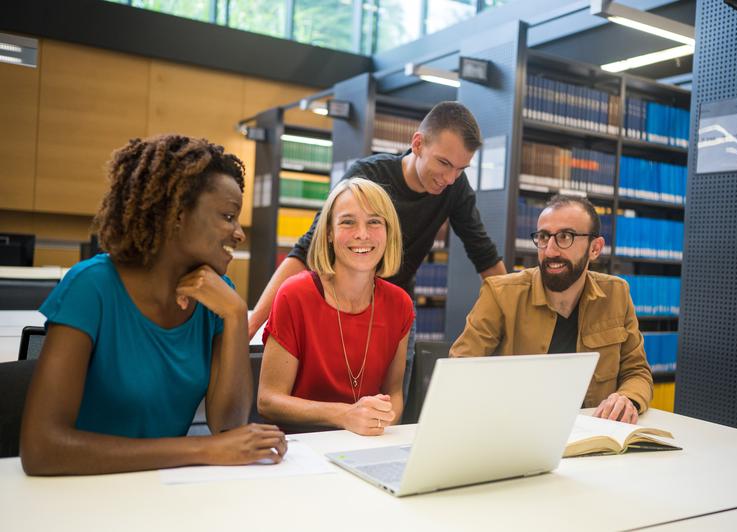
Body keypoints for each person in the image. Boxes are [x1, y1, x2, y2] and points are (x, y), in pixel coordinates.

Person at [20, 134, 287, 476]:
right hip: (81, 490)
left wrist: (236, 314)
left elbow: (228, 426)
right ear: (177, 214)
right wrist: (201, 449)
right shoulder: (92, 286)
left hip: (162, 489)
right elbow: (42, 449)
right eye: (228, 216)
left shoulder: (219, 299)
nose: (239, 233)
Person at [248, 102, 506, 397]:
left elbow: (484, 254)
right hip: (340, 307)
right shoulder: (368, 177)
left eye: (461, 169)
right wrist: (253, 325)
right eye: (444, 163)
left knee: (391, 403)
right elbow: (307, 250)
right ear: (418, 144)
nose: (450, 179)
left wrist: (514, 314)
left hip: (394, 314)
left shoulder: (455, 189)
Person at [450, 195, 653, 423]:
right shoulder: (501, 294)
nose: (550, 251)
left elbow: (637, 372)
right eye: (544, 237)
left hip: (594, 434)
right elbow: (460, 371)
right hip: (516, 432)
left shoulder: (616, 294)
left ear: (595, 249)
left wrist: (627, 398)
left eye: (565, 237)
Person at [257, 178, 413, 436]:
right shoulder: (294, 295)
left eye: (374, 222)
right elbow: (268, 400)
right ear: (329, 232)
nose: (362, 234)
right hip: (301, 449)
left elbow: (393, 393)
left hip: (364, 444)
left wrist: (381, 421)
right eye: (348, 222)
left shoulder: (400, 304)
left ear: (389, 232)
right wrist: (344, 415)